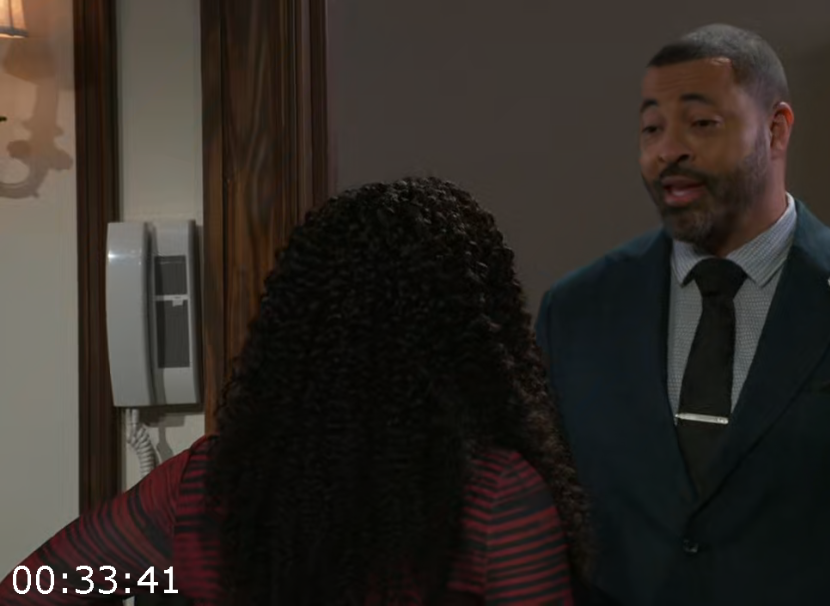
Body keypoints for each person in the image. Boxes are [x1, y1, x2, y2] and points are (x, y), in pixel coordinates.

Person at [535, 23, 830, 605]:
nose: (668, 150)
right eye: (652, 128)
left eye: (701, 123)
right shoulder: (577, 312)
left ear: (776, 129)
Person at [2, 177, 591, 605]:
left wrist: (171, 571)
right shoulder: (497, 497)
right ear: (475, 336)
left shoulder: (204, 485)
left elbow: (37, 589)